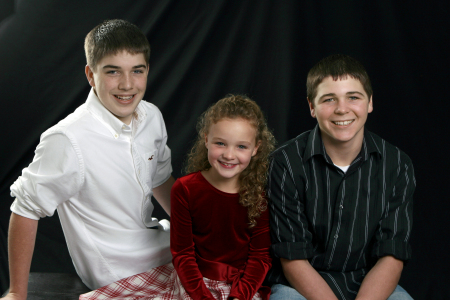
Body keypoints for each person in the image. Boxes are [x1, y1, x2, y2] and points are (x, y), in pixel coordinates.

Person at [3, 19, 175, 299]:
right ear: (91, 75)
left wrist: (195, 235)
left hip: (161, 244)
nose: (127, 84)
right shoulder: (68, 139)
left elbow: (161, 179)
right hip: (119, 271)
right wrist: (16, 293)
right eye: (113, 72)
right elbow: (25, 208)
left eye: (137, 71)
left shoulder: (151, 116)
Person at [79, 95, 276, 300]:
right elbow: (183, 254)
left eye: (241, 147)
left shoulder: (259, 196)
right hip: (194, 283)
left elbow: (260, 257)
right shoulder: (185, 189)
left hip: (241, 287)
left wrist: (239, 296)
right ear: (207, 139)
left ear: (255, 149)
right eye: (221, 143)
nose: (229, 154)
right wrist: (202, 297)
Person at [266, 54, 415, 300]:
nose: (342, 109)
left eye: (353, 97)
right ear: (311, 107)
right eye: (328, 99)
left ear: (369, 102)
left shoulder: (398, 165)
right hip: (301, 286)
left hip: (370, 283)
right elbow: (292, 258)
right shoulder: (285, 163)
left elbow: (392, 255)